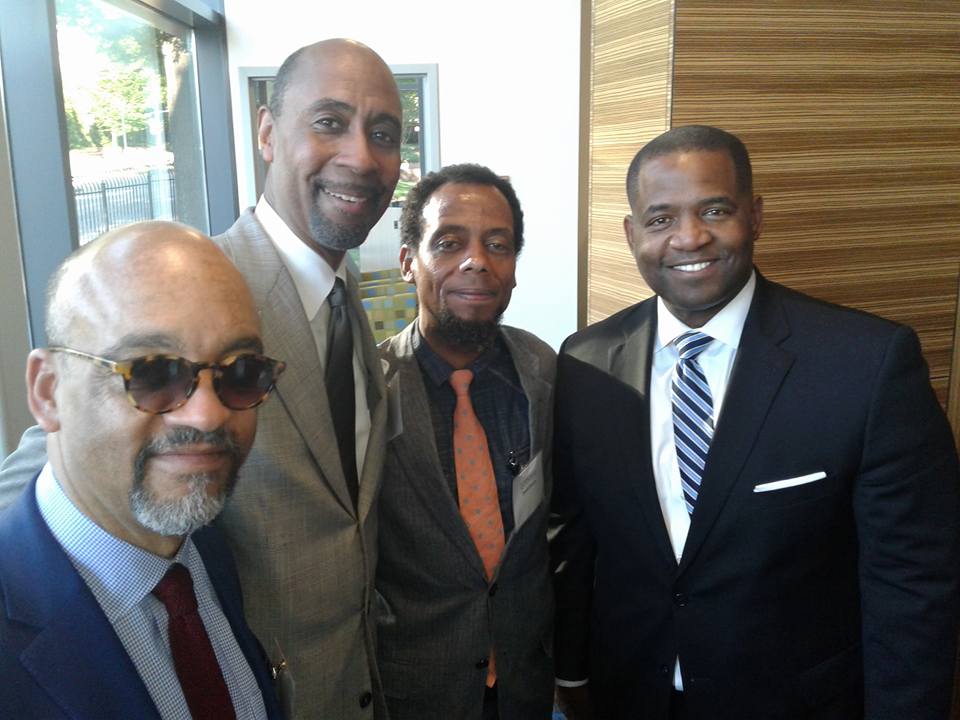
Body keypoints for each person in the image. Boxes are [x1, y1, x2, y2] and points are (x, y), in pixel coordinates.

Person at [0, 38, 401, 719]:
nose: (360, 157)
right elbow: (50, 471)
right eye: (329, 122)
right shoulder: (191, 294)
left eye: (384, 133)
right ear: (268, 134)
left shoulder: (348, 299)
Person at [551, 125, 960, 719]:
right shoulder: (586, 362)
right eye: (661, 219)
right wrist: (573, 673)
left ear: (756, 215)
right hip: (630, 695)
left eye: (714, 210)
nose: (689, 238)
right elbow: (578, 541)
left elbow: (914, 585)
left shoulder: (866, 365)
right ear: (632, 233)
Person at [0, 222, 285, 719]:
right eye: (152, 372)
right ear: (47, 391)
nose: (208, 415)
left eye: (241, 372)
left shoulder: (210, 550)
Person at [376, 164, 556, 719]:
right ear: (409, 262)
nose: (476, 261)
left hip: (527, 687)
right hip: (415, 692)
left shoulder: (547, 374)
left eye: (497, 244)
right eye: (449, 243)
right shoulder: (369, 392)